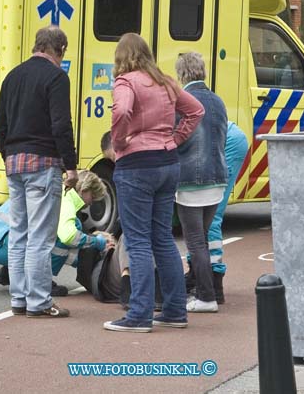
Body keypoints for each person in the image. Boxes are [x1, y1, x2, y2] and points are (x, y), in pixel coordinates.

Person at [103, 33, 204, 333]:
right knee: (162, 238)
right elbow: (196, 111)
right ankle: (174, 310)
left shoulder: (126, 82)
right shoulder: (166, 81)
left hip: (136, 165)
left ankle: (139, 314)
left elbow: (121, 111)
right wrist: (174, 137)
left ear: (122, 57)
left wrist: (119, 141)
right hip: (168, 161)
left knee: (137, 241)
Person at [0, 26, 78, 319]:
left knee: (19, 235)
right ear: (60, 49)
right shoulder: (56, 78)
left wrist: (9, 155)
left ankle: (18, 299)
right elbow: (61, 126)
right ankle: (39, 302)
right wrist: (71, 166)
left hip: (15, 165)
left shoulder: (13, 76)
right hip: (44, 164)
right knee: (41, 237)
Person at [0, 171, 112, 296]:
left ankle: (10, 272)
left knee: (45, 231)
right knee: (69, 231)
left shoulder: (54, 189)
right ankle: (43, 283)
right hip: (2, 245)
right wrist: (97, 242)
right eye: (93, 197)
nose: (91, 203)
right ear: (84, 191)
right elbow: (69, 237)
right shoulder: (65, 200)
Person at [174, 52, 228, 313]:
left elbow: (175, 139)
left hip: (190, 183)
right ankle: (204, 291)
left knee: (195, 242)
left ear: (181, 74)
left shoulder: (181, 102)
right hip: (217, 179)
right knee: (202, 240)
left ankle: (206, 297)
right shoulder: (218, 101)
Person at [184, 121, 248, 304]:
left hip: (228, 141)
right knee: (194, 218)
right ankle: (196, 273)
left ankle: (215, 280)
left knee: (211, 214)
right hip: (217, 139)